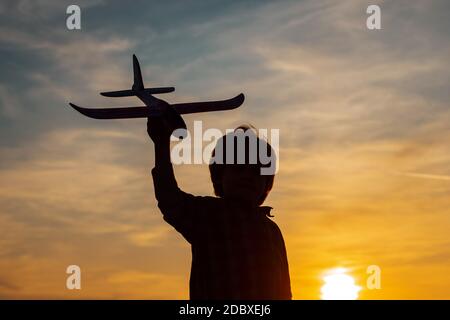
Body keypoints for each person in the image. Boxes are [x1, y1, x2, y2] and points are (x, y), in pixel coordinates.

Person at [147, 106, 291, 300]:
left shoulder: (272, 231)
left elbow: (284, 292)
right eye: (239, 168)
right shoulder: (208, 215)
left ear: (267, 183)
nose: (247, 176)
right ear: (219, 176)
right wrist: (161, 143)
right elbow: (169, 198)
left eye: (256, 171)